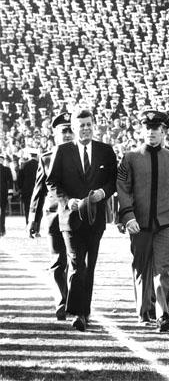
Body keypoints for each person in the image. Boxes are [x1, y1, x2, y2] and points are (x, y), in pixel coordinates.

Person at [117, 110, 169, 332]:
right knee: (141, 267)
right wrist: (127, 216)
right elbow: (123, 189)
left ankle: (163, 315)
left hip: (166, 222)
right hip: (139, 224)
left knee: (163, 268)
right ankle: (144, 311)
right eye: (147, 129)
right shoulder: (130, 158)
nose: (151, 133)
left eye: (155, 129)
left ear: (164, 131)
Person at [46, 106, 117, 331]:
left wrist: (102, 193)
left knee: (90, 265)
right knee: (77, 264)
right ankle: (77, 313)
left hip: (95, 219)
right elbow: (53, 183)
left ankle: (84, 311)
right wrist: (69, 202)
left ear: (93, 126)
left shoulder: (105, 150)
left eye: (88, 125)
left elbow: (114, 181)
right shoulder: (63, 150)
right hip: (70, 218)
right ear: (74, 128)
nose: (85, 129)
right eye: (81, 126)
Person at [28, 112, 74, 321]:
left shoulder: (81, 157)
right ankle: (61, 302)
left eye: (70, 130)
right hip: (54, 215)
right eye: (63, 131)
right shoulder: (46, 158)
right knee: (57, 261)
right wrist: (33, 220)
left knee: (76, 262)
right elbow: (38, 193)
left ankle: (74, 303)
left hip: (75, 215)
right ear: (54, 133)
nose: (67, 135)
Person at [17, 149, 39, 227]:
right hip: (37, 190)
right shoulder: (39, 164)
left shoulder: (24, 165)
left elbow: (19, 179)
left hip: (26, 190)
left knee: (27, 208)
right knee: (37, 209)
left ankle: (28, 224)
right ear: (36, 156)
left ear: (29, 155)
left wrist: (20, 188)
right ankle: (37, 226)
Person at [0, 154, 13, 236]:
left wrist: (10, 192)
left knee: (3, 211)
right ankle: (2, 229)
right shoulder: (7, 169)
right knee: (3, 211)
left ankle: (2, 229)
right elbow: (10, 182)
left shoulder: (7, 169)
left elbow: (10, 181)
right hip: (3, 192)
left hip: (3, 192)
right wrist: (10, 193)